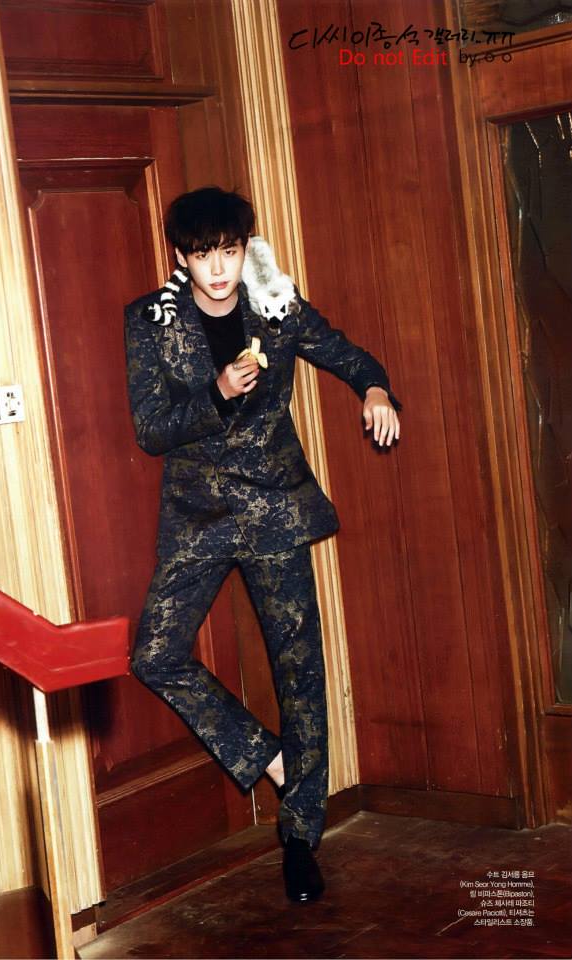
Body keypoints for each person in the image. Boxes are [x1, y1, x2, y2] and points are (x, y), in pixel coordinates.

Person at [124, 186, 401, 903]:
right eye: (203, 255)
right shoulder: (150, 321)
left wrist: (374, 390)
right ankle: (269, 759)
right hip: (198, 517)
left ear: (244, 248)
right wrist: (216, 391)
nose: (218, 269)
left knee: (299, 673)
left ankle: (301, 836)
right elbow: (151, 429)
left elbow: (343, 352)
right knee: (154, 655)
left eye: (228, 251)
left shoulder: (275, 304)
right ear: (181, 257)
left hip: (276, 510)